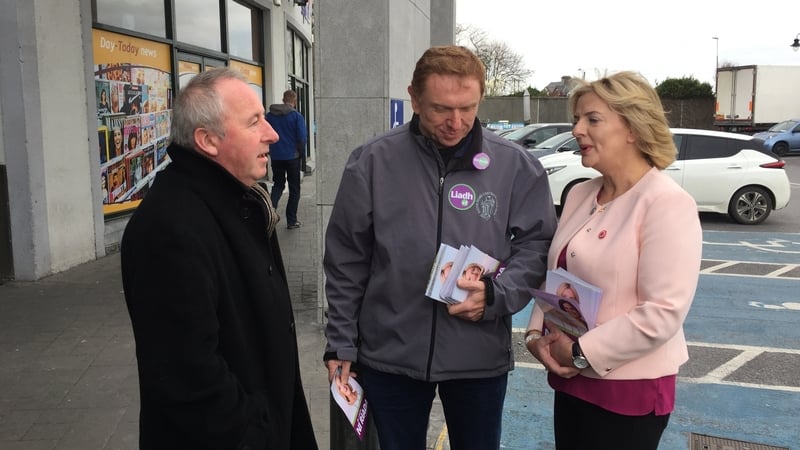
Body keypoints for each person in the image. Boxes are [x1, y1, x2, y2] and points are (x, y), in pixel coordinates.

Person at [323, 45, 557, 450]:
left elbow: (538, 244)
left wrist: (496, 295)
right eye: (440, 109)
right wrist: (342, 341)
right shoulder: (372, 161)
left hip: (477, 357)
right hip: (389, 355)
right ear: (413, 97)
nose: (456, 122)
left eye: (467, 107)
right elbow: (347, 260)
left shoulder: (515, 166)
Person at [120, 68, 318, 450]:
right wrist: (257, 433)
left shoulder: (239, 199)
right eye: (254, 122)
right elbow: (187, 376)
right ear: (208, 140)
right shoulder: (169, 227)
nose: (273, 134)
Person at [525, 71, 703, 450]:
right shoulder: (580, 193)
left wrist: (580, 353)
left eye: (592, 119)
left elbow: (663, 312)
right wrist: (535, 335)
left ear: (633, 129)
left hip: (628, 391)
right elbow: (556, 273)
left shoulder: (666, 203)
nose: (576, 129)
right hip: (571, 379)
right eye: (577, 119)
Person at [266, 89, 307, 229]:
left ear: (283, 99)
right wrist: (302, 156)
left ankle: (269, 213)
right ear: (294, 101)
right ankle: (291, 221)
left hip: (276, 157)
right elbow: (301, 139)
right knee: (294, 188)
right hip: (292, 157)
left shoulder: (269, 116)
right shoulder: (296, 116)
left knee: (278, 184)